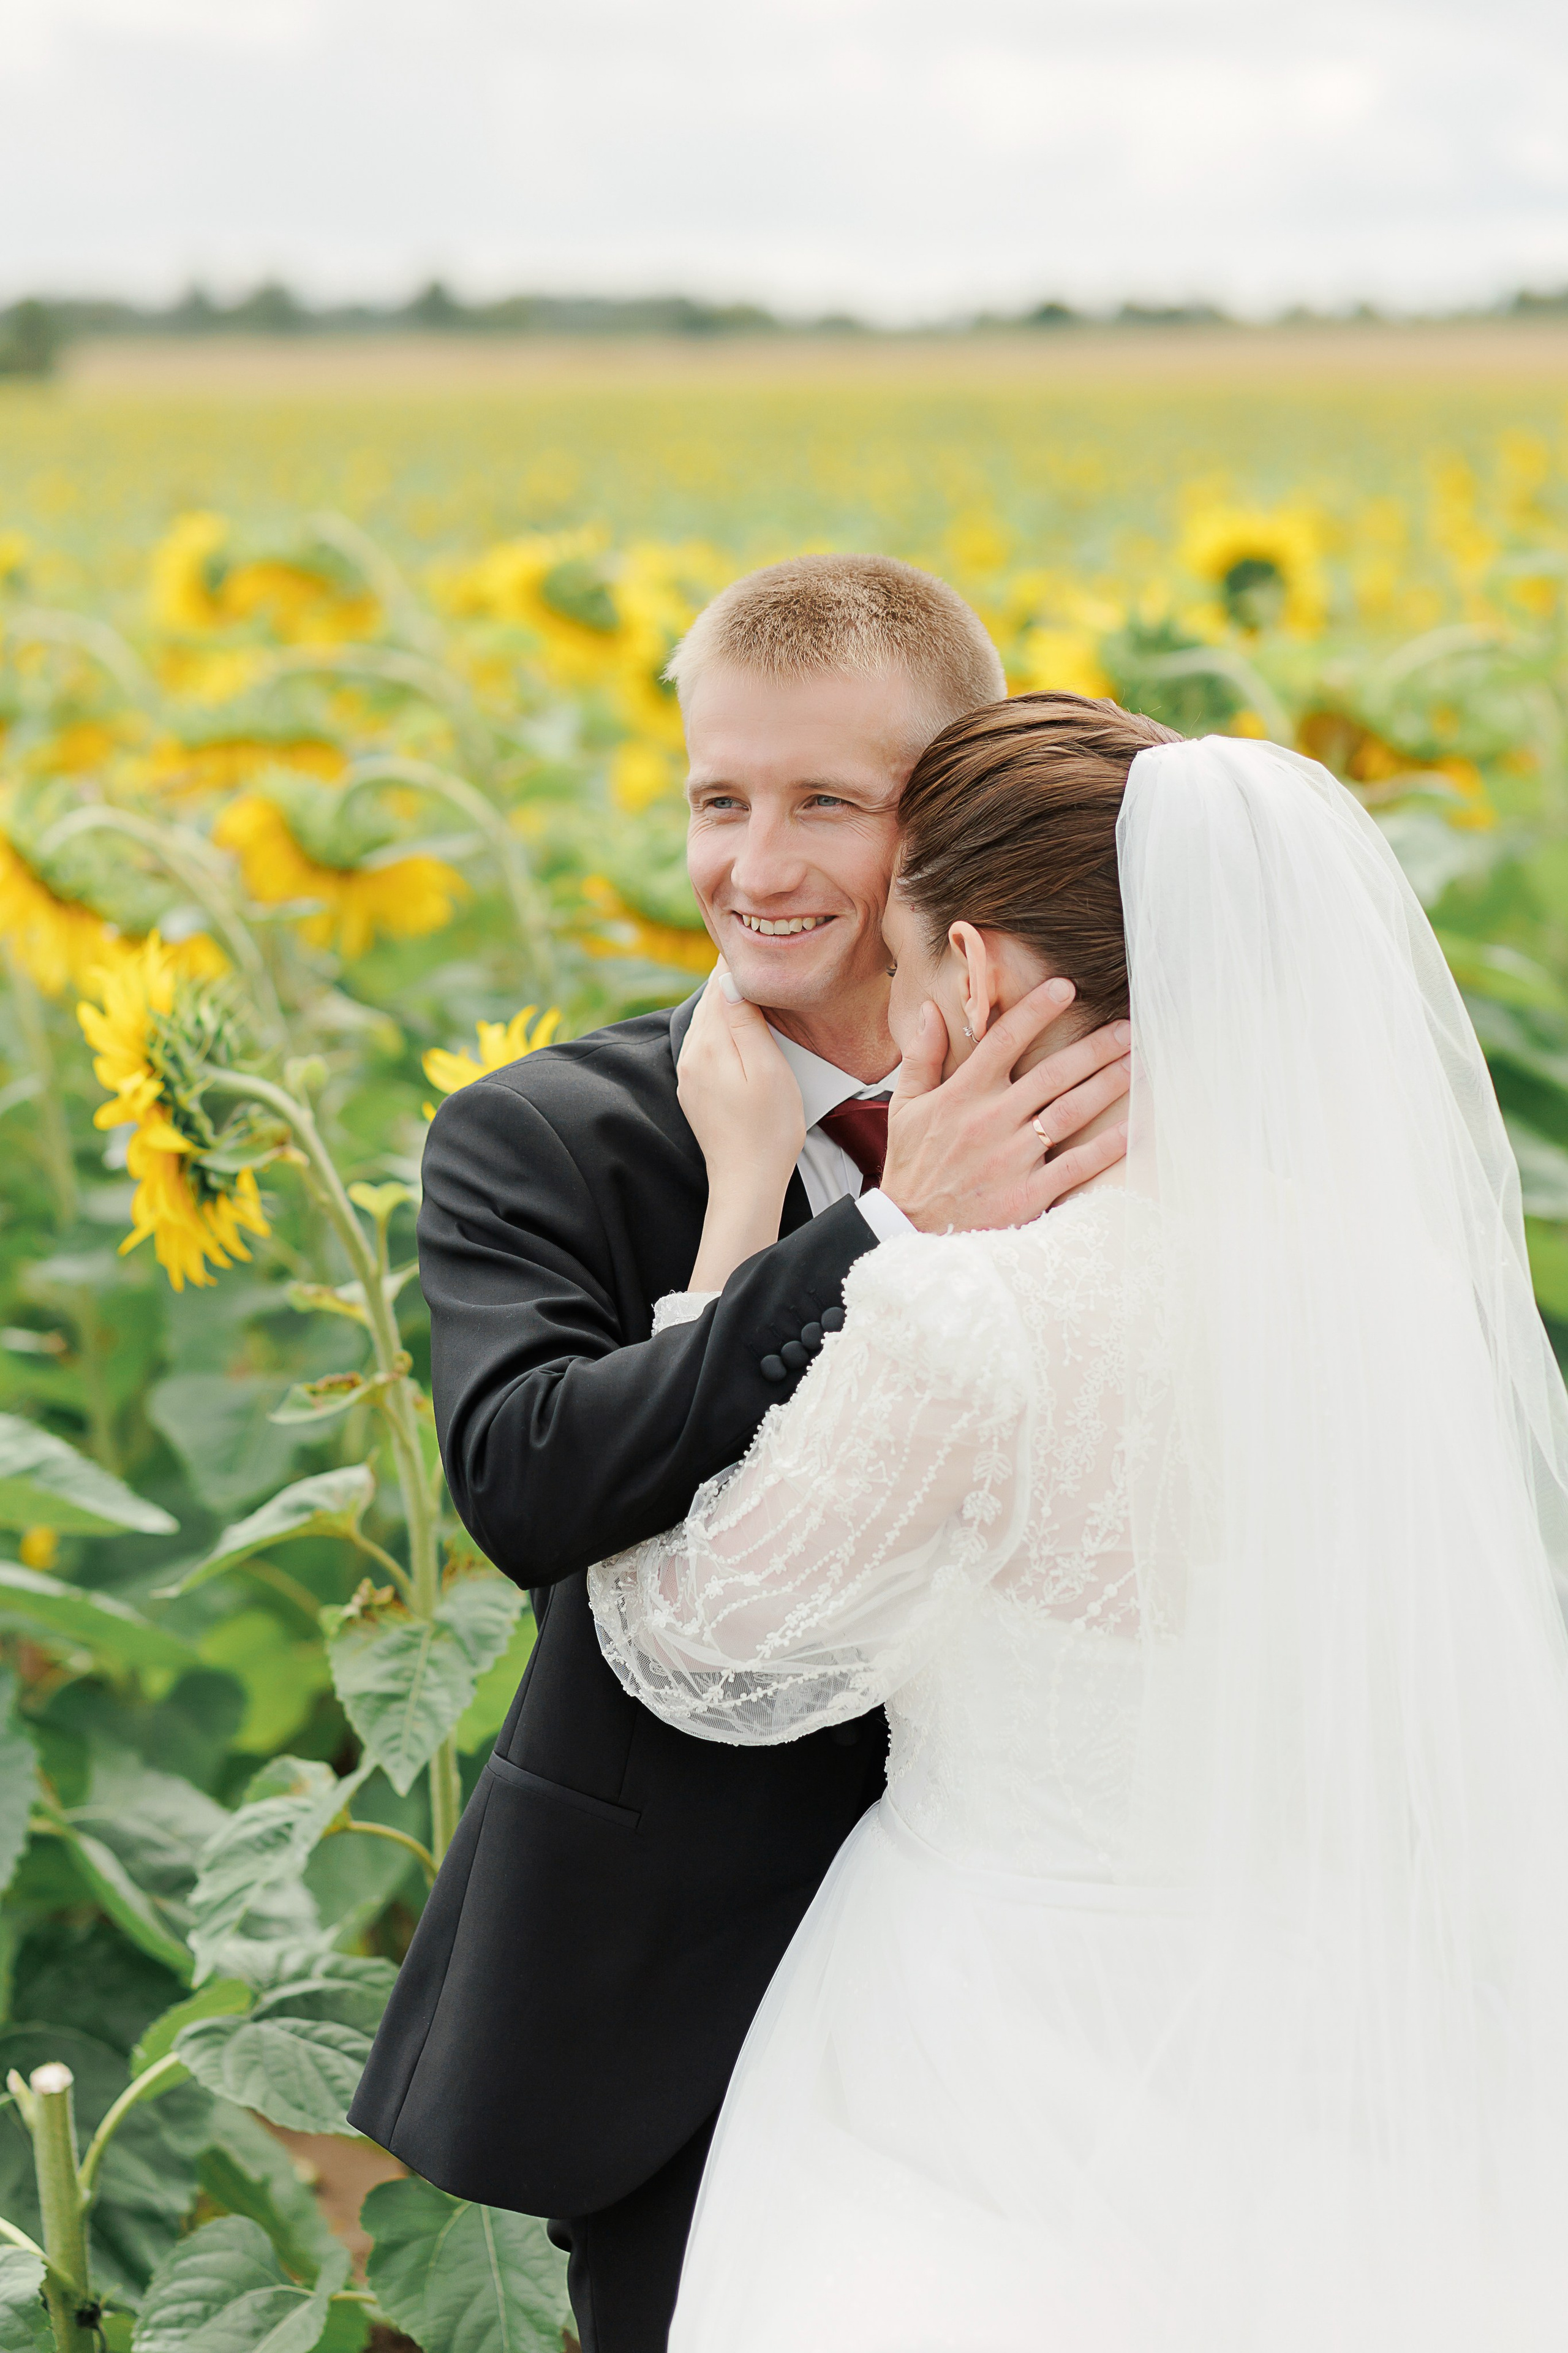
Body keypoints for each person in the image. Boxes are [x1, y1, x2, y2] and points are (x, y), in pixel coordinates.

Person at [591, 693, 1568, 2351]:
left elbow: (694, 1639)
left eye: (903, 967)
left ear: (970, 977)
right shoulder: (1394, 1290)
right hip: (1335, 2033)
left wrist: (739, 1220)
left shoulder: (968, 1317)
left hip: (975, 2049)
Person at [348, 560, 1131, 2353]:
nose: (755, 869)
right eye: (718, 798)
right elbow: (531, 1485)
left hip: (1037, 1969)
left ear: (945, 811)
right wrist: (844, 1226)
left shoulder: (1101, 1108)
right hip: (681, 1998)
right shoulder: (549, 1133)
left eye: (825, 805)